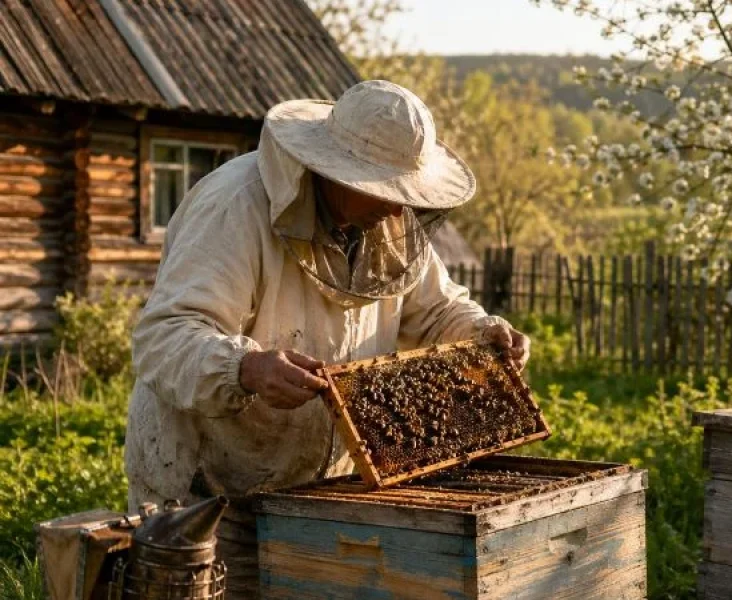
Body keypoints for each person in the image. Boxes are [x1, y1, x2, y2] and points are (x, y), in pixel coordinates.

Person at [124, 80, 530, 597]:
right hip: (206, 492)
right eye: (384, 188)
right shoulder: (236, 207)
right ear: (333, 170)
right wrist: (245, 368)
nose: (395, 207)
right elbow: (163, 336)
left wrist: (482, 331)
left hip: (318, 492)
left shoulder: (389, 226)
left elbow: (436, 309)